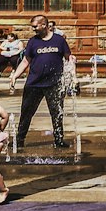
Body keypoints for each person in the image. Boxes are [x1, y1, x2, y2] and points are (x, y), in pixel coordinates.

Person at [9, 14, 70, 149]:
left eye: (35, 26)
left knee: (57, 113)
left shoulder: (59, 40)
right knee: (26, 112)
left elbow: (68, 58)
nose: (33, 29)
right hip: (34, 83)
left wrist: (72, 75)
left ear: (44, 25)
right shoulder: (33, 42)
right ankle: (19, 140)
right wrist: (15, 76)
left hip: (54, 84)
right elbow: (26, 61)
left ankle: (59, 140)